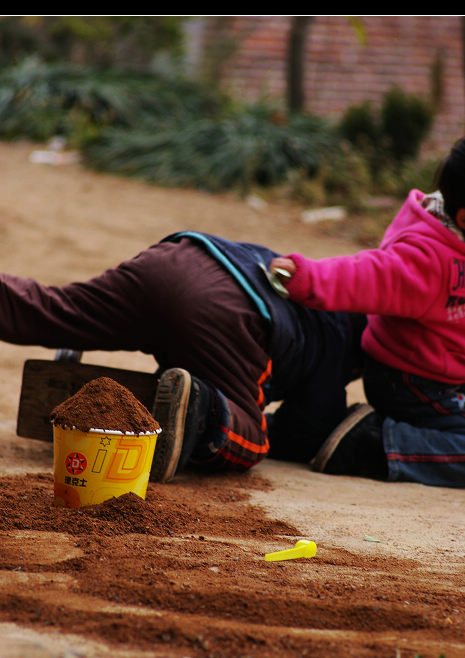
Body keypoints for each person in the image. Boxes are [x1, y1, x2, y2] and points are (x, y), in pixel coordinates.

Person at [0, 229, 364, 482]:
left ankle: (86, 381)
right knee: (253, 438)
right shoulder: (341, 345)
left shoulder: (324, 282)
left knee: (50, 310)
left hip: (174, 259)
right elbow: (305, 435)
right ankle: (201, 405)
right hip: (224, 312)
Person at [270, 137, 465, 489]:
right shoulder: (428, 259)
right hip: (414, 383)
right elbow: (366, 275)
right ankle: (370, 443)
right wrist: (307, 276)